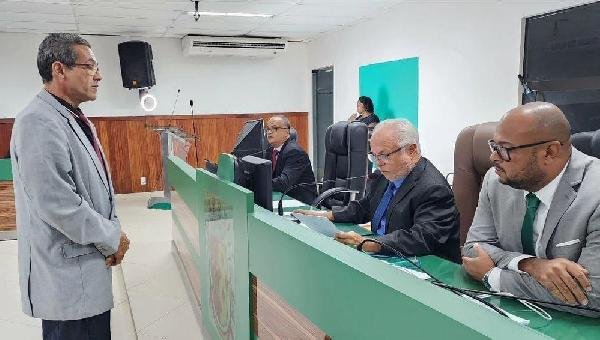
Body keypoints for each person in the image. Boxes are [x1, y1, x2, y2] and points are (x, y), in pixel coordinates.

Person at [10, 33, 130, 339]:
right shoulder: (38, 122)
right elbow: (58, 205)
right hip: (67, 280)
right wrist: (112, 237)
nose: (99, 75)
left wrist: (111, 232)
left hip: (86, 268)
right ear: (59, 70)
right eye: (89, 66)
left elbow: (94, 189)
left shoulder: (72, 117)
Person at [463, 102, 600, 317]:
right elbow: (473, 249)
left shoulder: (596, 194)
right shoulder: (496, 180)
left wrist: (492, 275)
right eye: (494, 146)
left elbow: (592, 296)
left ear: (550, 151)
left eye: (505, 149)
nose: (493, 158)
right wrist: (529, 264)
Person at [295, 119, 460, 263]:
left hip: (422, 267)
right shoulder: (387, 175)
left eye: (385, 155)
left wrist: (369, 244)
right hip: (384, 256)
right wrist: (326, 216)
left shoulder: (433, 188)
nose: (379, 163)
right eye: (374, 156)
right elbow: (365, 207)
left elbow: (420, 238)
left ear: (411, 150)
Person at [266, 115, 318, 205]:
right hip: (283, 198)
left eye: (275, 128)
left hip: (301, 202)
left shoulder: (295, 152)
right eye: (268, 129)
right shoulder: (270, 151)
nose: (269, 132)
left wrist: (259, 183)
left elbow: (283, 183)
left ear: (286, 132)